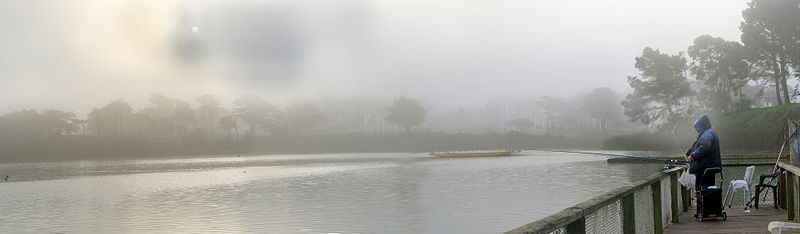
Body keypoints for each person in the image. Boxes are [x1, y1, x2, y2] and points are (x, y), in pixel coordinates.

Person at [686, 114, 722, 191]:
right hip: (707, 168)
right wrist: (690, 151)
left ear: (702, 125)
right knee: (707, 190)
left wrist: (693, 156)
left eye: (698, 127)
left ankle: (702, 202)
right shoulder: (708, 133)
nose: (697, 129)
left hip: (705, 169)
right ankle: (704, 202)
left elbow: (705, 147)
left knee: (703, 190)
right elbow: (702, 146)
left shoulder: (707, 134)